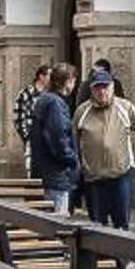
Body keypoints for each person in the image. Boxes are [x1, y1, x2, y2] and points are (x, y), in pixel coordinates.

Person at [74, 68, 135, 230]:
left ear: (112, 88)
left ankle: (122, 256)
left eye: (105, 87)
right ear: (91, 90)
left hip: (120, 175)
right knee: (97, 224)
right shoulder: (82, 112)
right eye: (97, 88)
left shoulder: (124, 107)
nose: (102, 92)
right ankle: (99, 254)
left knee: (122, 223)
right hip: (94, 178)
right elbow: (74, 140)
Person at [29, 62, 82, 215]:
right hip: (55, 175)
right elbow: (58, 138)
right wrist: (72, 160)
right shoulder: (54, 103)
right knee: (57, 223)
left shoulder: (46, 100)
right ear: (69, 81)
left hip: (45, 172)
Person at [11, 63, 53, 173]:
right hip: (32, 139)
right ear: (41, 76)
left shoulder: (51, 95)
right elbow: (19, 118)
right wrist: (28, 137)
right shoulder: (25, 94)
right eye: (49, 76)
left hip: (49, 141)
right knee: (33, 172)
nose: (52, 79)